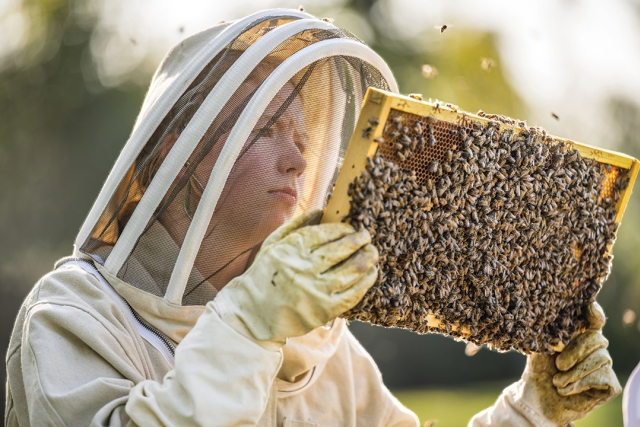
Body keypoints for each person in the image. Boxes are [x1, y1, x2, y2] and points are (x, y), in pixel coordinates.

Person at [5, 9, 621, 426]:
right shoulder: (73, 319)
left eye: (308, 137)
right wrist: (248, 329)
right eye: (268, 129)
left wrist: (531, 409)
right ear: (181, 148)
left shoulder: (322, 350)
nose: (301, 159)